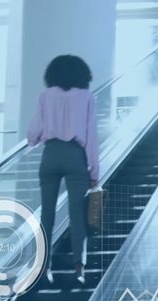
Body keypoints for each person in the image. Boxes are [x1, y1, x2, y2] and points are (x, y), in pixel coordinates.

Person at [26, 55, 100, 284]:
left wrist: (40, 137)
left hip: (50, 155)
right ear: (82, 74)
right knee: (77, 214)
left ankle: (43, 268)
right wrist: (94, 173)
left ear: (53, 73)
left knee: (46, 215)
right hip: (75, 156)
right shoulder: (86, 97)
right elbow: (91, 137)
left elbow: (32, 135)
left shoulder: (45, 96)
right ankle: (79, 268)